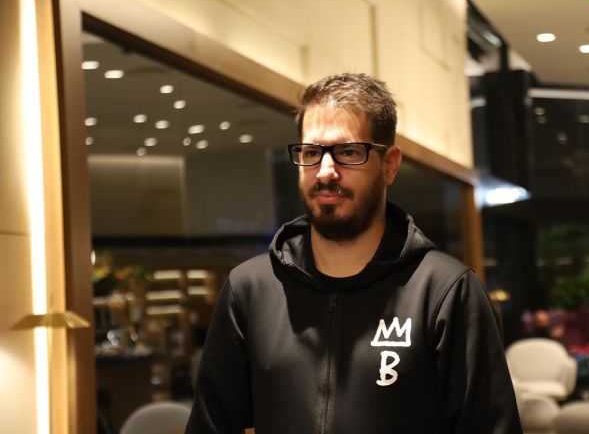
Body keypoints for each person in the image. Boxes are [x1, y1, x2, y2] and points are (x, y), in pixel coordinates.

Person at [185, 73, 522, 434]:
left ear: (390, 164)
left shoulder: (445, 292)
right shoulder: (250, 290)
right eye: (311, 153)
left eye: (348, 152)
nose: (325, 172)